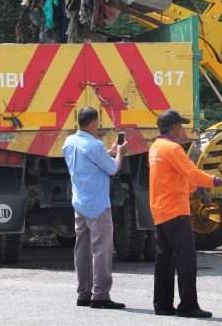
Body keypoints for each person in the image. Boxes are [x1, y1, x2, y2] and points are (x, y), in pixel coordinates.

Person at [149, 109, 222, 318]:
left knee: (164, 258)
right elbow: (193, 172)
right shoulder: (173, 149)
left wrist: (198, 188)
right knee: (186, 258)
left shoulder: (156, 148)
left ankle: (162, 304)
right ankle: (188, 306)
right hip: (176, 210)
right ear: (174, 127)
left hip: (160, 210)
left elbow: (175, 177)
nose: (183, 130)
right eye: (181, 126)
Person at [62, 107, 130, 310]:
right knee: (101, 249)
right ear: (93, 123)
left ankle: (84, 293)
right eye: (98, 123)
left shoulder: (69, 142)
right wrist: (119, 154)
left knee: (81, 249)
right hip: (98, 205)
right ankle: (100, 294)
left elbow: (91, 160)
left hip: (79, 202)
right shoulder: (95, 145)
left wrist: (107, 153)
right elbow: (113, 169)